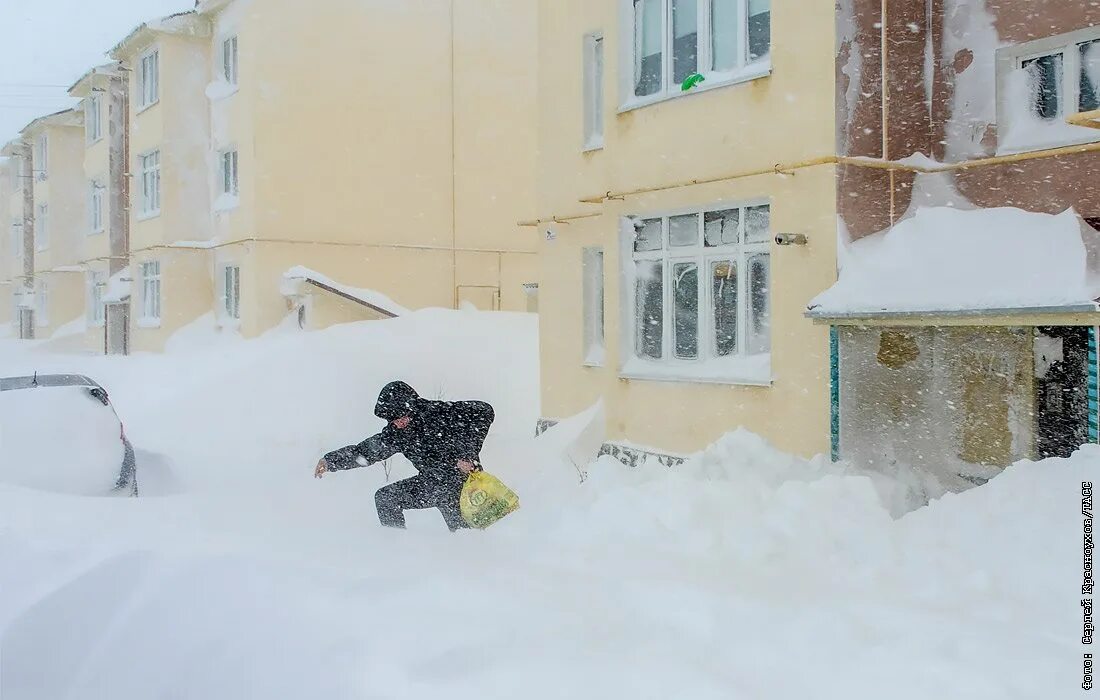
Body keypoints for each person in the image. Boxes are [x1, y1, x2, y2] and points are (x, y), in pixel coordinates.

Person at [314, 381, 495, 531]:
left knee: (467, 537)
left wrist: (467, 455)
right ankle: (397, 547)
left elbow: (484, 411)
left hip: (464, 485)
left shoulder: (438, 412)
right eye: (391, 419)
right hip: (432, 484)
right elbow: (364, 452)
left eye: (399, 416)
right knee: (386, 498)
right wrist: (330, 461)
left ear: (411, 407)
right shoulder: (398, 433)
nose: (397, 423)